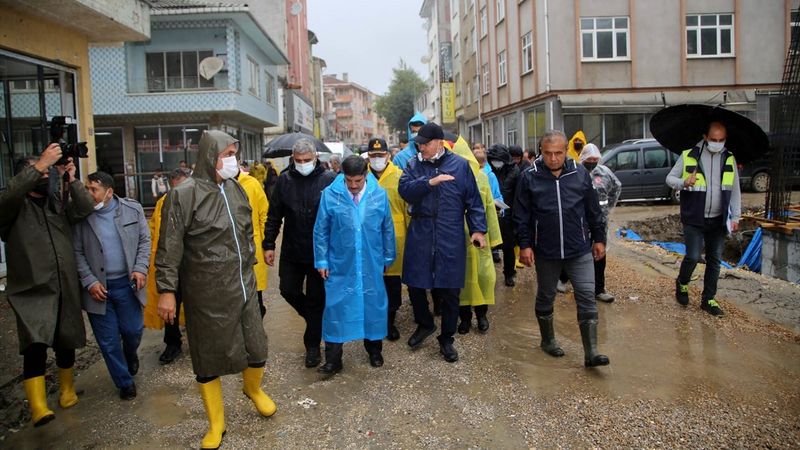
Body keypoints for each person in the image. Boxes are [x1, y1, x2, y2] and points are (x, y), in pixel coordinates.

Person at [156, 130, 276, 450]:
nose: (232, 160)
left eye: (234, 154)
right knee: (208, 356)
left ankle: (253, 389)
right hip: (205, 292)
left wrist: (252, 262)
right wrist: (166, 290)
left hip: (243, 284)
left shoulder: (236, 189)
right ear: (210, 157)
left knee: (257, 346)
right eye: (227, 155)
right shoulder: (183, 195)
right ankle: (216, 423)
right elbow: (168, 247)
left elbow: (247, 231)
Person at [0, 147, 94, 426]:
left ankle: (67, 390)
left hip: (64, 283)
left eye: (45, 171)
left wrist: (70, 178)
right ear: (24, 176)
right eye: (38, 171)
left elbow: (86, 207)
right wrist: (40, 163)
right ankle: (39, 406)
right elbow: (9, 196)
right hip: (31, 288)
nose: (44, 175)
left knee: (66, 339)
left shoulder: (57, 202)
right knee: (34, 344)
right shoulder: (12, 207)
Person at [514, 130, 610, 368]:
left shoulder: (579, 174)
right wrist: (524, 245)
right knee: (546, 295)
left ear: (567, 150)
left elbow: (593, 210)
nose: (554, 158)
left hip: (579, 248)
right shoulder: (529, 177)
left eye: (558, 153)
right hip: (546, 251)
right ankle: (548, 340)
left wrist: (599, 239)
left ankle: (592, 352)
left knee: (587, 295)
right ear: (540, 152)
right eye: (548, 153)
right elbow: (521, 215)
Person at [399, 122, 487, 363]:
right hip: (421, 229)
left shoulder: (460, 166)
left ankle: (446, 338)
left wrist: (478, 230)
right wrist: (429, 183)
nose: (422, 148)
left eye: (426, 143)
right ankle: (425, 324)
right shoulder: (413, 164)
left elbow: (474, 201)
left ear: (439, 142)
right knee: (415, 283)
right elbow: (404, 190)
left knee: (450, 289)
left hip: (450, 231)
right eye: (419, 144)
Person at [313, 156, 395, 375]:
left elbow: (387, 227)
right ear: (343, 176)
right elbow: (321, 229)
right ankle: (333, 359)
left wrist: (388, 256)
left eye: (358, 181)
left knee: (373, 304)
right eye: (349, 180)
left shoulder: (379, 195)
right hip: (341, 262)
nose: (353, 186)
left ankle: (374, 350)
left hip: (371, 259)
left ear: (366, 175)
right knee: (336, 307)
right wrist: (321, 260)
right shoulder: (331, 195)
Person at [73, 171, 150, 400]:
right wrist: (89, 281)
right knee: (107, 341)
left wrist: (140, 268)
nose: (88, 194)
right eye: (86, 188)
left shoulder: (132, 210)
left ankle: (130, 355)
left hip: (128, 286)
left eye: (93, 189)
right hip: (98, 290)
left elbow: (145, 241)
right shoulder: (81, 216)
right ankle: (124, 382)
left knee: (133, 331)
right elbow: (76, 252)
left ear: (108, 192)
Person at [263, 139, 336, 368]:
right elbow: (274, 215)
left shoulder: (329, 180)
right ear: (292, 159)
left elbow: (338, 217)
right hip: (292, 250)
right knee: (288, 290)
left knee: (316, 299)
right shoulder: (285, 180)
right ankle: (316, 320)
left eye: (307, 160)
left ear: (315, 158)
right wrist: (269, 244)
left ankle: (312, 347)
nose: (303, 164)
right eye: (298, 161)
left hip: (319, 252)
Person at [666, 121, 741, 316]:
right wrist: (684, 182)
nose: (718, 143)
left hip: (719, 219)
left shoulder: (729, 158)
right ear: (705, 137)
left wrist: (736, 216)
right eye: (714, 139)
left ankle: (708, 299)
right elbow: (669, 179)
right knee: (692, 256)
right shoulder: (689, 155)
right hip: (694, 217)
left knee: (714, 259)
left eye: (721, 140)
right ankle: (682, 283)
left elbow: (734, 191)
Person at [448, 137, 502, 335]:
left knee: (483, 278)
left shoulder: (482, 178)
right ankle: (465, 319)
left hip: (479, 237)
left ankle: (482, 315)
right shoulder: (449, 178)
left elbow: (488, 208)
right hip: (456, 238)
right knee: (462, 281)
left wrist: (493, 238)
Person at [557, 144, 622, 303]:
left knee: (600, 252)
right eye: (589, 159)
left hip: (600, 220)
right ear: (583, 158)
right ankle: (563, 278)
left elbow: (617, 187)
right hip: (579, 220)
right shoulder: (575, 173)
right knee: (576, 250)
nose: (592, 162)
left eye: (595, 159)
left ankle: (599, 289)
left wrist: (608, 208)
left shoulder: (604, 173)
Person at [143, 167, 191, 365]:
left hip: (194, 264)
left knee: (198, 305)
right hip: (171, 264)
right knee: (169, 303)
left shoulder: (199, 201)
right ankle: (172, 342)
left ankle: (201, 341)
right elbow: (153, 232)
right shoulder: (163, 204)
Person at [366, 138, 409, 341]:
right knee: (373, 282)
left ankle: (390, 322)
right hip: (369, 240)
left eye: (380, 155)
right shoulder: (361, 177)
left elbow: (409, 212)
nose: (376, 159)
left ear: (388, 155)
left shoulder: (400, 177)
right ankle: (375, 321)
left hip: (396, 240)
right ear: (368, 156)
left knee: (393, 283)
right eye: (373, 155)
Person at [238, 164, 270, 318]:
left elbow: (264, 215)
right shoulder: (213, 185)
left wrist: (266, 245)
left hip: (252, 247)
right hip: (227, 252)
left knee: (255, 294)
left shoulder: (252, 184)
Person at [487, 144, 521, 286]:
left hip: (508, 213)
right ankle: (488, 276)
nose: (496, 162)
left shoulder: (514, 171)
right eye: (493, 159)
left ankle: (509, 273)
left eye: (498, 159)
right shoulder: (488, 170)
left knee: (508, 246)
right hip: (490, 212)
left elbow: (518, 194)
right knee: (488, 246)